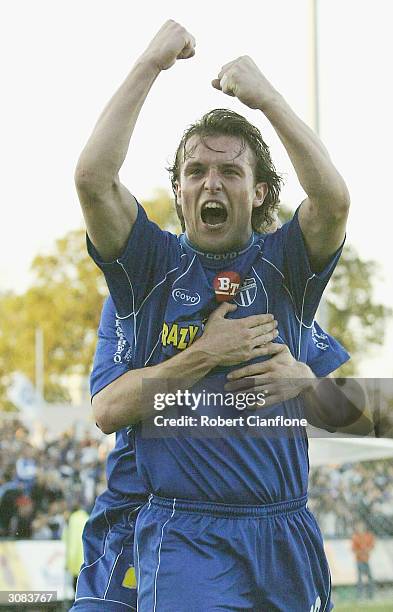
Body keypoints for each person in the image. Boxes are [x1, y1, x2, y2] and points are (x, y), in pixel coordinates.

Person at [75, 19, 351, 610]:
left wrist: (268, 97)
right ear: (177, 191)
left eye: (231, 171)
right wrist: (151, 60)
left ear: (258, 192)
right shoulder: (148, 270)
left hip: (284, 530)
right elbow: (93, 179)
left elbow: (333, 200)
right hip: (184, 531)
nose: (211, 183)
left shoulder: (286, 270)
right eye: (196, 171)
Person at [73, 295, 372, 611]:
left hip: (264, 534)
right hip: (143, 519)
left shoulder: (271, 300)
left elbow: (355, 417)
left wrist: (306, 382)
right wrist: (206, 353)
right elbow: (107, 410)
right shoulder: (140, 295)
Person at [351, 520, 376, 600]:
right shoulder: (356, 537)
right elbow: (354, 549)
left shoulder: (368, 535)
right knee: (360, 579)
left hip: (366, 560)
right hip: (359, 560)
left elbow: (372, 545)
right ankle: (360, 595)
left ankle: (370, 595)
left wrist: (366, 550)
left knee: (370, 578)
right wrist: (361, 551)